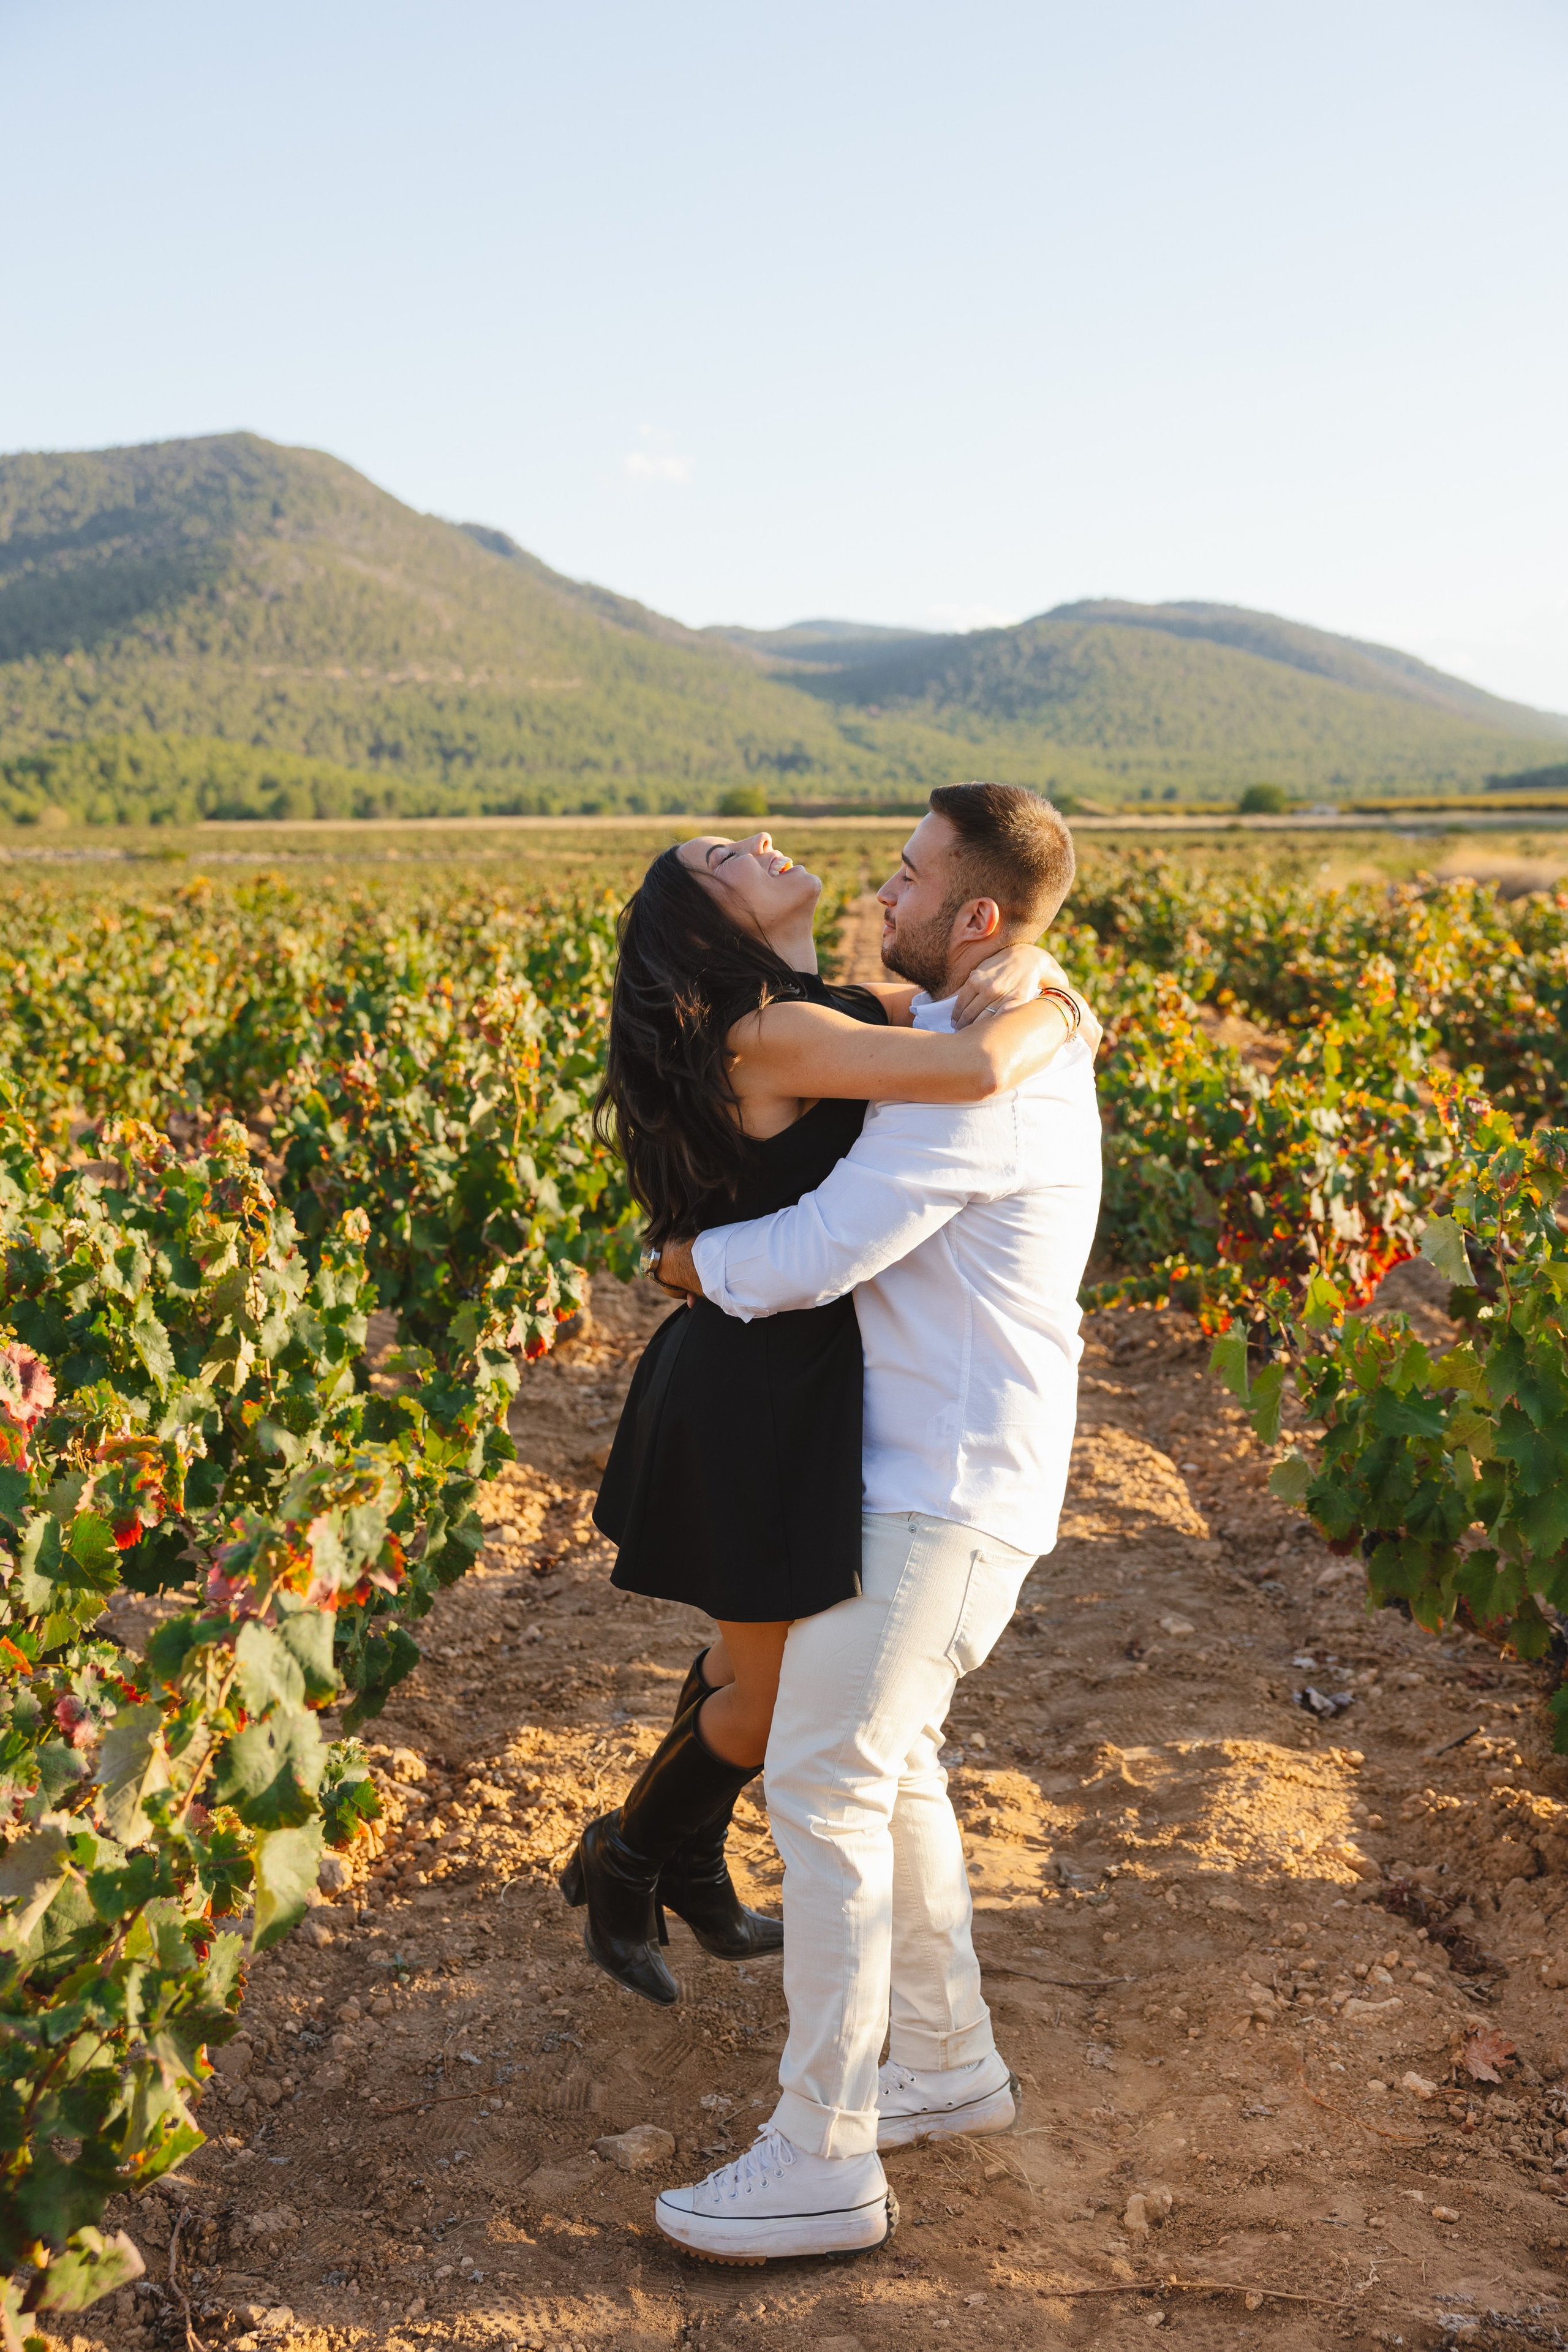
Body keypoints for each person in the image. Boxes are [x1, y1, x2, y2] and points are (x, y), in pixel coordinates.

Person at [643, 783, 1103, 2262]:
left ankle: (822, 2157)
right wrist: (1055, 997)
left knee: (825, 1783)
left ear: (973, 914)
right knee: (885, 1770)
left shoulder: (979, 1076)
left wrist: (677, 1262)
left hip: (942, 1489)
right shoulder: (965, 1035)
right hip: (925, 1478)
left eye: (904, 881)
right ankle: (945, 2063)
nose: (875, 898)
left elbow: (815, 1255)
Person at [560, 822, 1087, 2008]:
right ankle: (626, 1859)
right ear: (706, 923)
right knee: (771, 1693)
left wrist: (1011, 978)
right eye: (722, 859)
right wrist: (1060, 1001)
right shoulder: (762, 1029)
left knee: (755, 1658)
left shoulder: (816, 1006)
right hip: (746, 1391)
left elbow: (944, 1025)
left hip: (786, 1376)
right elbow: (970, 1070)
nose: (756, 843)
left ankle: (686, 1860)